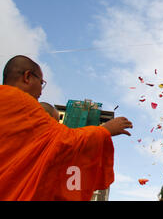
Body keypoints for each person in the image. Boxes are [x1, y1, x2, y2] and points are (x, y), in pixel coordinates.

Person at [0, 55, 133, 200]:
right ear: (27, 77)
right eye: (41, 82)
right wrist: (105, 130)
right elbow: (65, 140)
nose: (41, 91)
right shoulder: (24, 105)